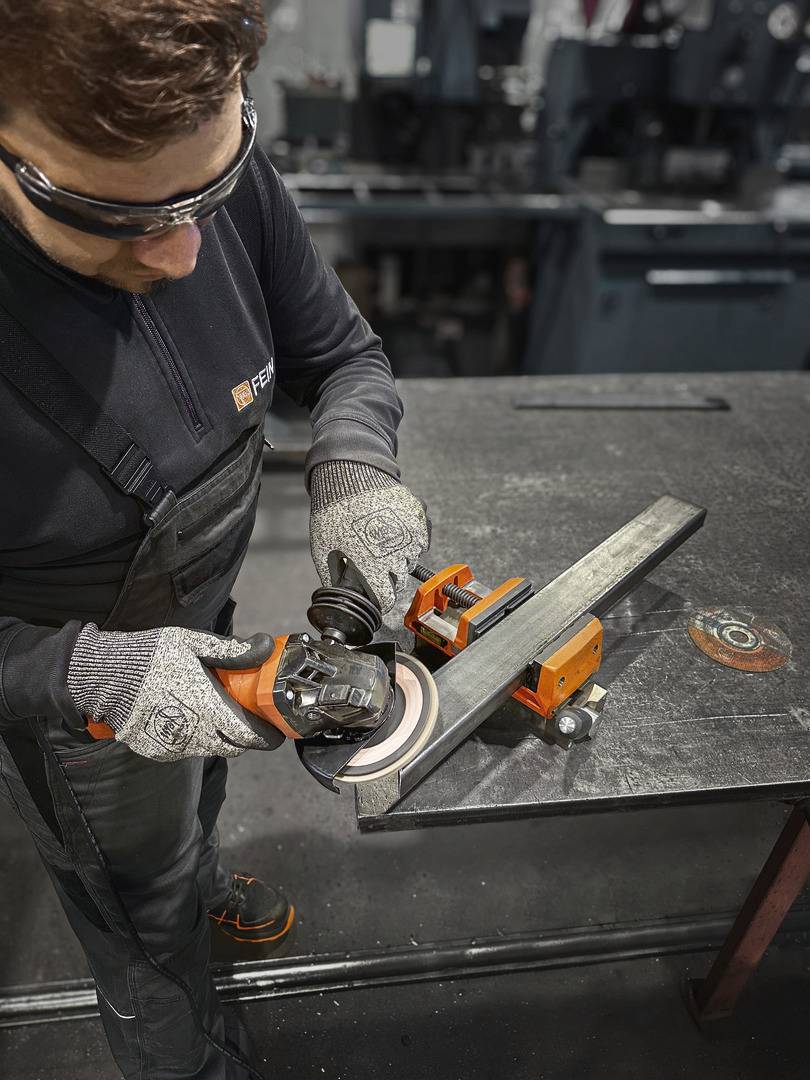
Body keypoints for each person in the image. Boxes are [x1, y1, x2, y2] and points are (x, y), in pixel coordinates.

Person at [0, 3, 430, 1077]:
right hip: (79, 688)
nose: (189, 252)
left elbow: (345, 358)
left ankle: (194, 874)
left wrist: (354, 467)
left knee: (200, 804)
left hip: (211, 616)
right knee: (142, 926)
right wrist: (94, 673)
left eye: (208, 191)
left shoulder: (213, 166)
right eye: (117, 214)